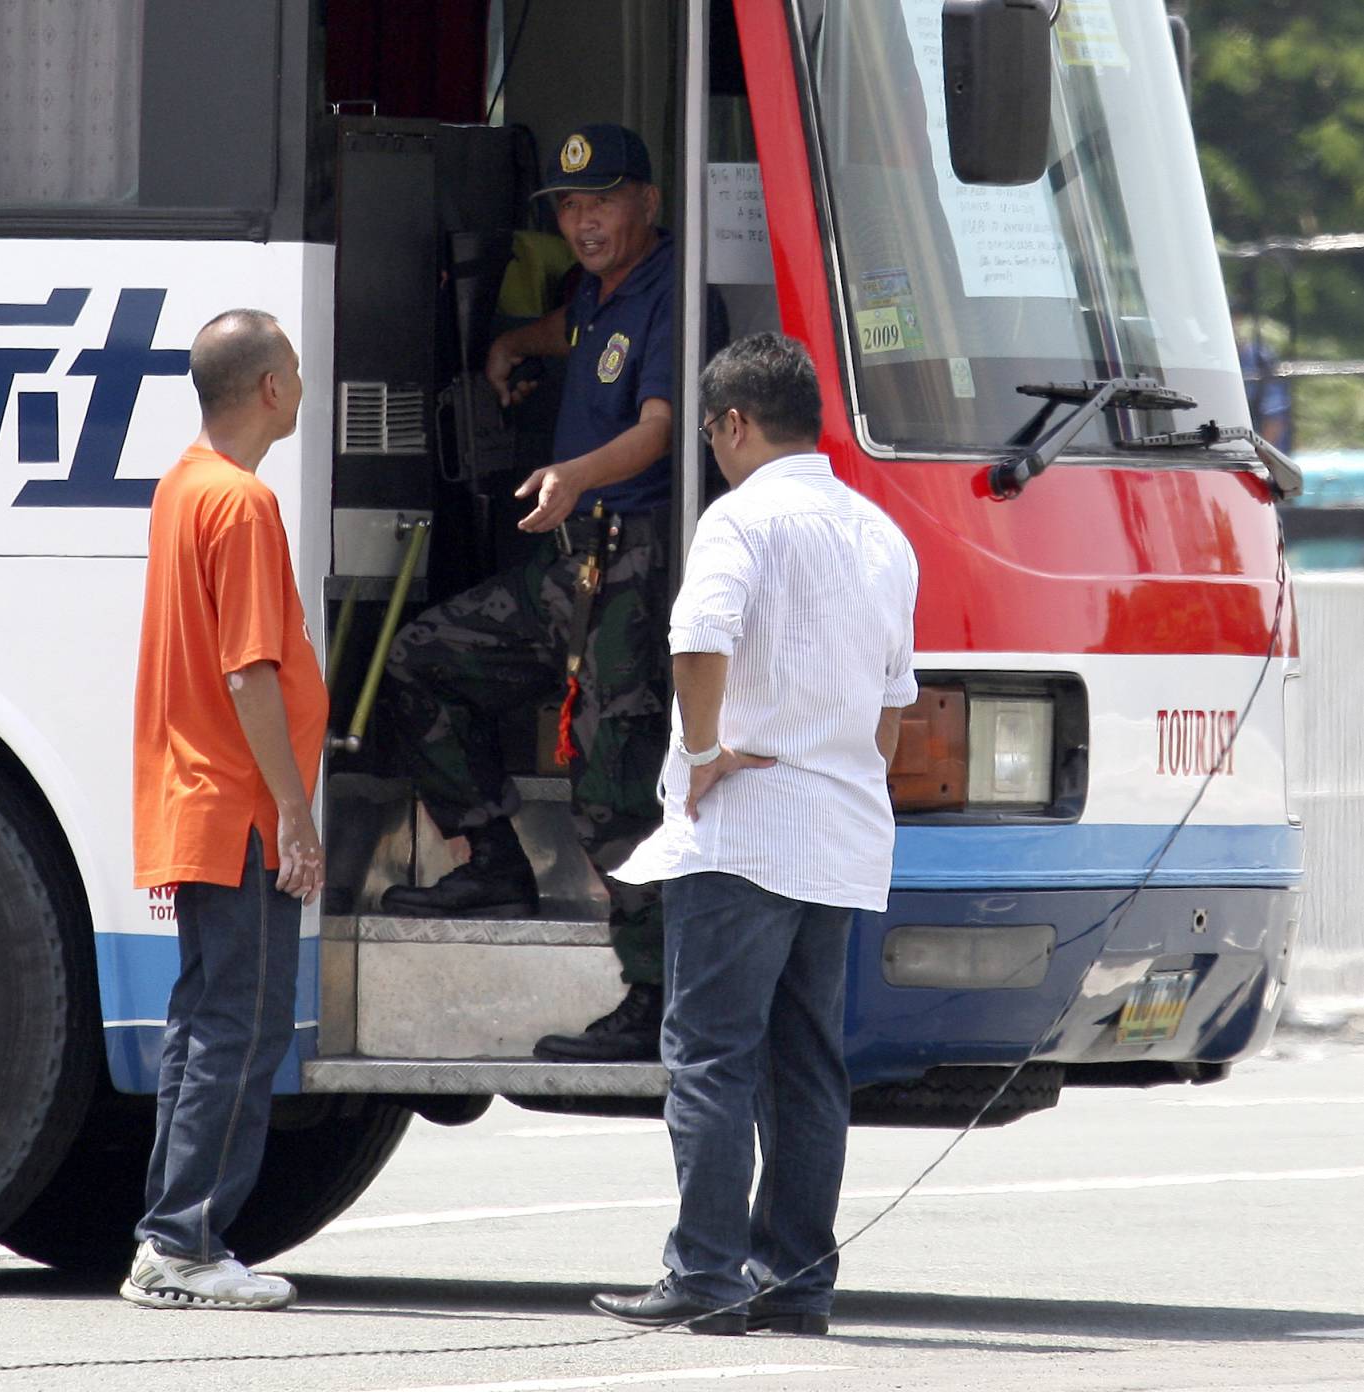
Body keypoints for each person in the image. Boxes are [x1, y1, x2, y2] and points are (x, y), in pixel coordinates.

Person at [591, 334, 918, 1335]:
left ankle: (703, 1272)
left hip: (744, 836)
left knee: (710, 1058)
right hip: (840, 836)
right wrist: (843, 774)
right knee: (806, 1065)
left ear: (732, 423)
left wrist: (701, 751)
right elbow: (893, 703)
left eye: (709, 430)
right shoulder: (881, 534)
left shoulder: (740, 520)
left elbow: (698, 640)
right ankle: (794, 1282)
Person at [382, 123, 673, 1062]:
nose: (584, 222)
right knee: (422, 661)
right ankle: (492, 864)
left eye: (603, 203)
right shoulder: (594, 291)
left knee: (610, 788)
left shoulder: (673, 290)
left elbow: (661, 427)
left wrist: (575, 475)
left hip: (628, 569)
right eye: (571, 207)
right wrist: (512, 343)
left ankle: (656, 997)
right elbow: (569, 329)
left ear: (647, 203)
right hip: (565, 567)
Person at [122, 309, 327, 1311]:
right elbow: (250, 672)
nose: (301, 384)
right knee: (242, 1026)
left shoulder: (182, 485)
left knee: (207, 1021)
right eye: (293, 368)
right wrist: (293, 810)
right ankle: (184, 1243)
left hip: (195, 797)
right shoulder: (241, 504)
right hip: (238, 805)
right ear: (270, 389)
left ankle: (171, 1237)